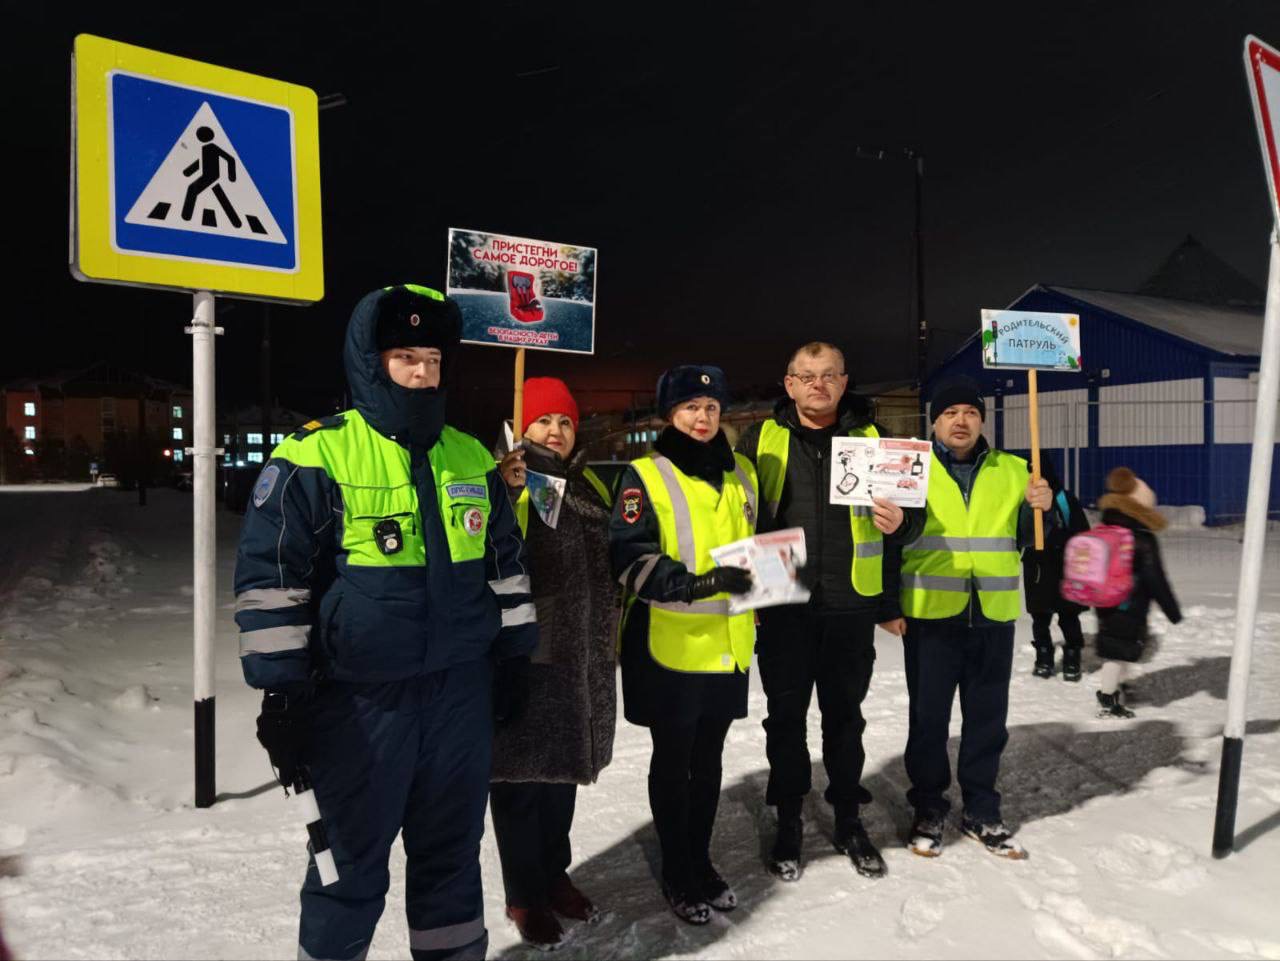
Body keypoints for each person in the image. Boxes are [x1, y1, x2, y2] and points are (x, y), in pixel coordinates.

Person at [233, 284, 537, 961]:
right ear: (372, 362)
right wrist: (281, 691)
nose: (424, 373)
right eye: (406, 357)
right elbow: (270, 579)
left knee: (452, 860)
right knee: (348, 867)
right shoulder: (316, 453)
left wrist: (516, 656)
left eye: (433, 358)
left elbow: (505, 565)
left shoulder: (471, 456)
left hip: (459, 695)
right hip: (361, 702)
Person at [735, 342, 925, 881]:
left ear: (844, 382)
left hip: (848, 605)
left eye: (829, 376)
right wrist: (743, 593)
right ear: (789, 383)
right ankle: (790, 819)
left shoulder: (874, 440)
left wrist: (901, 525)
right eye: (806, 376)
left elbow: (912, 519)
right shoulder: (760, 439)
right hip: (782, 603)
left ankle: (848, 819)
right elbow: (735, 512)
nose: (818, 385)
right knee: (785, 721)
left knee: (846, 720)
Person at [609, 364, 758, 926]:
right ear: (669, 414)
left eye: (712, 408)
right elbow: (628, 555)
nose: (703, 418)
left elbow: (753, 543)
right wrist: (695, 585)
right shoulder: (643, 474)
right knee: (675, 764)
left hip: (729, 642)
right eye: (691, 408)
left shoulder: (742, 471)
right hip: (670, 644)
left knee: (711, 760)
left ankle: (701, 859)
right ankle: (677, 869)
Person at [886, 375, 1052, 860]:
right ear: (934, 421)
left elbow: (1031, 536)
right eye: (950, 413)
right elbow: (889, 539)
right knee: (929, 720)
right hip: (931, 615)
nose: (961, 421)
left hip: (992, 615)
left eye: (971, 413)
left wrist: (1043, 507)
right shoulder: (909, 469)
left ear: (983, 420)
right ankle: (929, 807)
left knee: (986, 721)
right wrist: (888, 606)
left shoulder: (1016, 469)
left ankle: (981, 808)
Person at [489, 377, 620, 949]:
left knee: (562, 775)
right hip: (530, 656)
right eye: (544, 421)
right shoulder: (511, 478)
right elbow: (494, 544)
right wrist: (506, 488)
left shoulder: (582, 480)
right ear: (522, 427)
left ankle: (553, 874)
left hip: (579, 656)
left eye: (565, 421)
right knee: (521, 782)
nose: (556, 431)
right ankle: (524, 894)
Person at [1093, 467, 1182, 718]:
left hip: (1105, 600)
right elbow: (1156, 579)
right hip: (1130, 603)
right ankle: (1108, 699)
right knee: (1117, 649)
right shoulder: (1142, 538)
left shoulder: (1105, 529)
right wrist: (1172, 611)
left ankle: (1119, 685)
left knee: (1119, 644)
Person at [1022, 453, 1091, 681]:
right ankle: (1044, 655)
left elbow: (1082, 533)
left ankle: (1072, 656)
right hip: (1037, 569)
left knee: (1068, 615)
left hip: (1064, 569)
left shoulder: (1064, 499)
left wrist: (1063, 540)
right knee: (1040, 617)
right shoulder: (1024, 502)